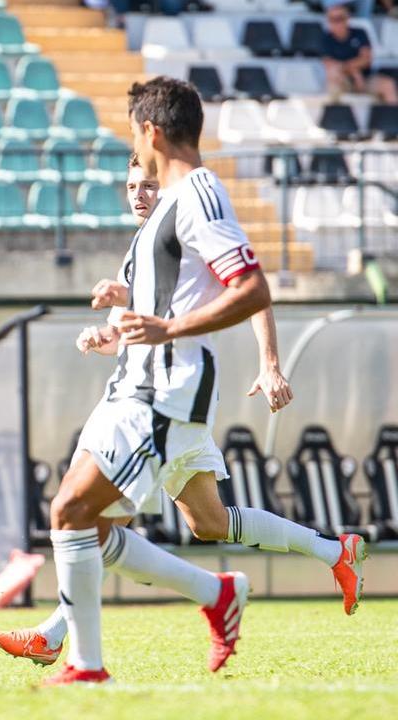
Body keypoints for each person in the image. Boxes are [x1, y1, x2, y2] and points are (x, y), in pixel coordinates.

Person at [35, 77, 367, 686]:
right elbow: (175, 293)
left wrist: (173, 328)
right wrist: (124, 305)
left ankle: (89, 657)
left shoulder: (199, 191)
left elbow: (252, 288)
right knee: (90, 522)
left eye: (136, 132)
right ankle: (195, 604)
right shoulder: (167, 207)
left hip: (165, 389)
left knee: (74, 514)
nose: (135, 146)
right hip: (134, 385)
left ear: (152, 132)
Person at [322, 3, 398, 102]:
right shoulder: (326, 39)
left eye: (340, 18)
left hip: (365, 78)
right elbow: (330, 64)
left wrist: (353, 70)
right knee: (333, 79)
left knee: (387, 85)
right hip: (343, 79)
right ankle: (335, 115)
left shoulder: (360, 33)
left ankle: (392, 116)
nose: (337, 22)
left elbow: (366, 59)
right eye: (333, 19)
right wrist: (354, 72)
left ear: (347, 18)